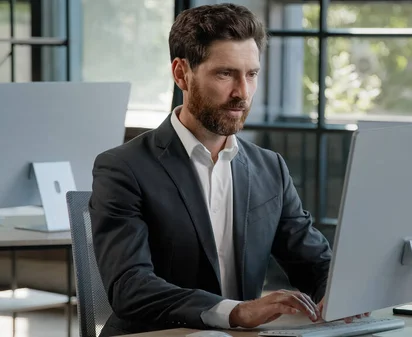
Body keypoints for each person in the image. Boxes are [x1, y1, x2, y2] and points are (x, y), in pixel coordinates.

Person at [90, 4, 362, 336]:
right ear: (181, 74)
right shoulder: (123, 168)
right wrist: (237, 312)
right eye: (225, 74)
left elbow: (316, 264)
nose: (242, 93)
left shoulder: (269, 168)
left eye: (251, 74)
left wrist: (338, 296)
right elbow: (130, 288)